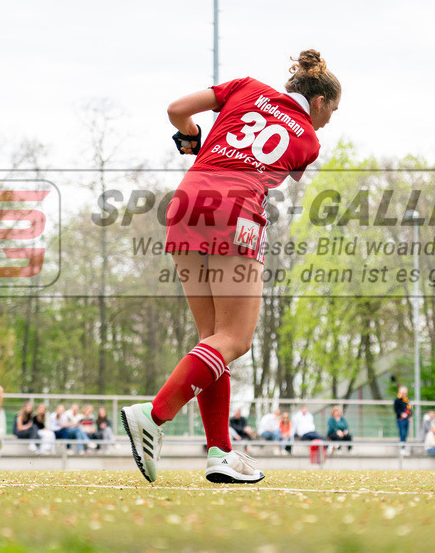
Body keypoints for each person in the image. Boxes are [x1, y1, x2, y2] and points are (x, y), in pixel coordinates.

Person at [119, 50, 339, 485]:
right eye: (332, 110)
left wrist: (193, 137)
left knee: (212, 340)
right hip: (235, 213)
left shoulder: (246, 86)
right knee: (235, 340)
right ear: (318, 102)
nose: (330, 119)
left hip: (185, 201)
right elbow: (266, 156)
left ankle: (220, 452)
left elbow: (176, 111)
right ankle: (153, 414)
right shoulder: (309, 141)